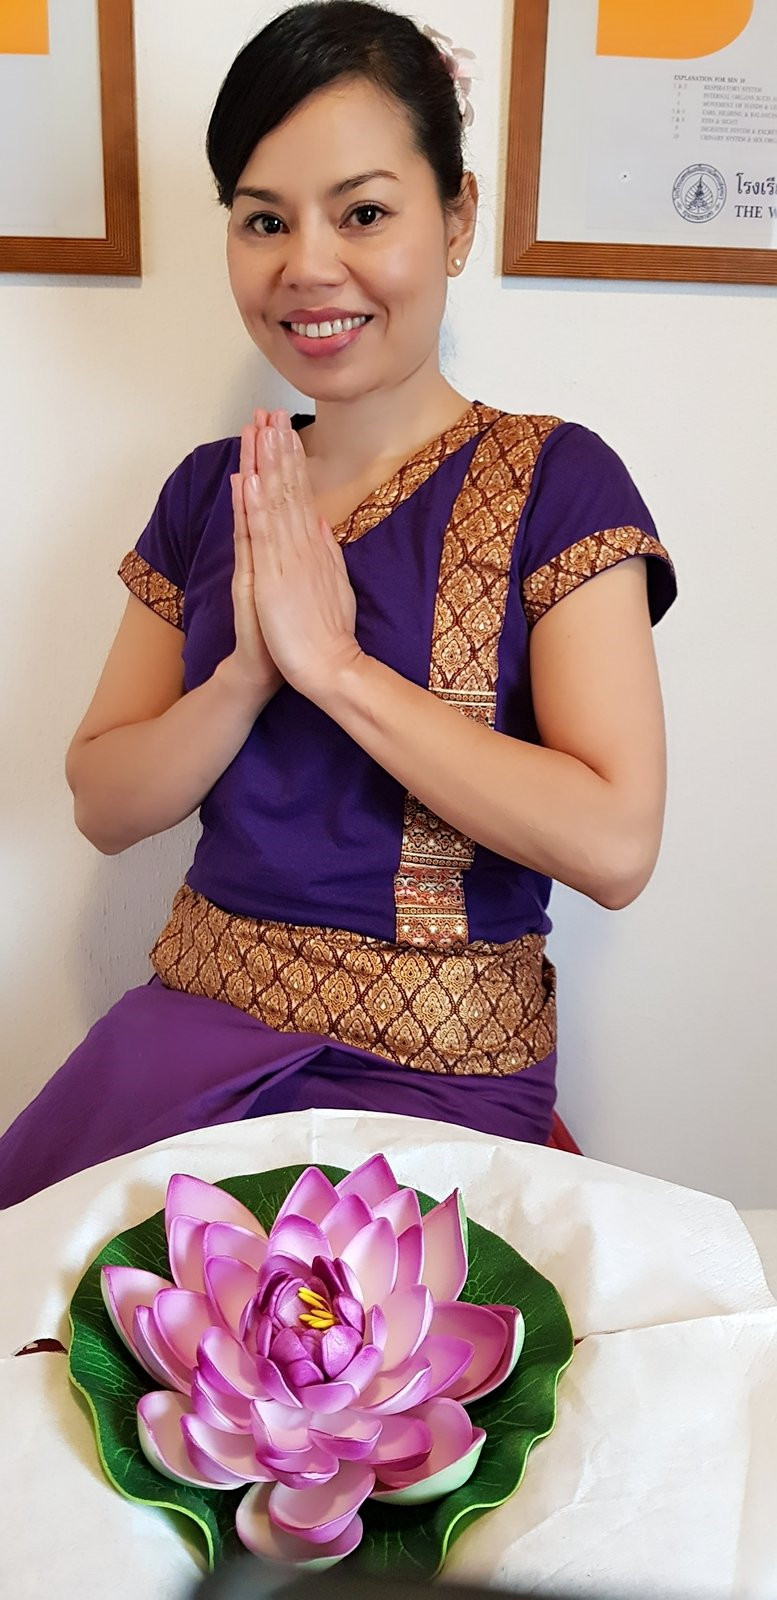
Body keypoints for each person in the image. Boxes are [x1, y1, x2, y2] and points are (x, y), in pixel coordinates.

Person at [0, 1, 676, 1208]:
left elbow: (615, 845)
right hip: (186, 1038)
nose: (308, 266)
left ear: (456, 219)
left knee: (335, 1331)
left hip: (437, 1080)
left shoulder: (559, 480)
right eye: (264, 220)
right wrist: (245, 676)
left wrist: (338, 668)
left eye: (362, 212)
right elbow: (103, 801)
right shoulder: (212, 490)